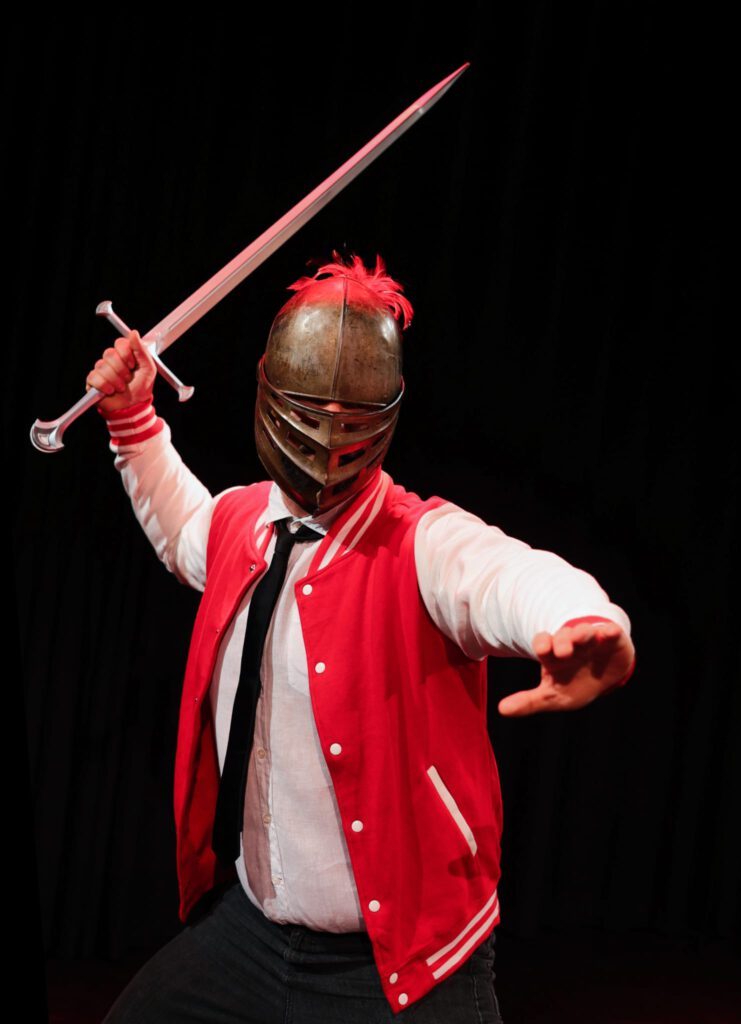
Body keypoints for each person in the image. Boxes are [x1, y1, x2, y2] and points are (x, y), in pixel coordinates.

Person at [88, 253, 635, 1022]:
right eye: (309, 410)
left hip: (402, 960)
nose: (324, 438)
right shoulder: (244, 522)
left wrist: (583, 619)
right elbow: (185, 532)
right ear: (268, 389)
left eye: (350, 420)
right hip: (250, 934)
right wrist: (132, 420)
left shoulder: (420, 543)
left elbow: (506, 575)